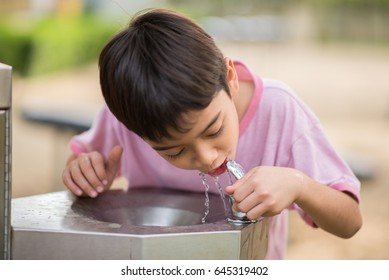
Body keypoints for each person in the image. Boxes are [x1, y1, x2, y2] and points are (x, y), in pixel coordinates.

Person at [62, 8, 362, 259]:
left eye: (215, 129)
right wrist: (83, 173)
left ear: (230, 78)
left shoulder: (278, 110)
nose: (206, 157)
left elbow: (349, 221)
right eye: (173, 151)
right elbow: (81, 166)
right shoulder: (128, 118)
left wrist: (300, 186)